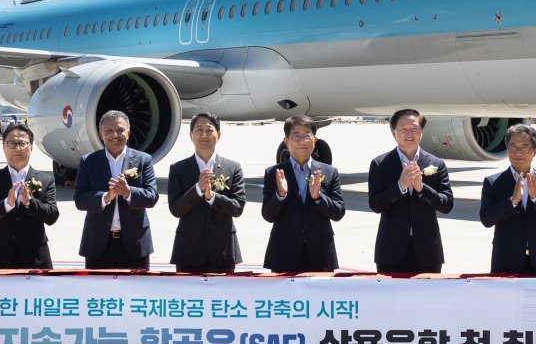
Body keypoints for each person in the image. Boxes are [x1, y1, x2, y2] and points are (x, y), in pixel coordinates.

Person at [367, 108, 453, 273]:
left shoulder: (436, 163)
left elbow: (447, 205)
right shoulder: (380, 164)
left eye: (414, 128)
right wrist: (400, 186)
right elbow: (375, 205)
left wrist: (421, 188)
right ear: (394, 132)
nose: (409, 134)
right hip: (391, 251)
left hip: (428, 251)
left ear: (421, 131)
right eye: (404, 129)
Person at [74, 110, 159, 269]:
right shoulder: (89, 161)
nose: (115, 135)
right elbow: (80, 199)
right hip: (98, 244)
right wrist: (106, 197)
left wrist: (128, 192)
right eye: (109, 131)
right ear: (101, 134)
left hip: (135, 244)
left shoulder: (143, 160)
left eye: (120, 130)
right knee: (98, 293)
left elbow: (152, 196)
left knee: (136, 292)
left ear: (128, 132)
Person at [261, 115, 345, 272]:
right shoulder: (274, 172)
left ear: (315, 140)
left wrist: (319, 198)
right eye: (296, 135)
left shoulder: (329, 172)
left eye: (307, 135)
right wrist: (280, 195)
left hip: (320, 254)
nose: (302, 140)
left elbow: (338, 213)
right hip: (284, 253)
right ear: (286, 141)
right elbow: (268, 215)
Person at [479, 123, 536, 275]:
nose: (518, 151)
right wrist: (512, 201)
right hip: (507, 260)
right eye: (513, 146)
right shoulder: (493, 182)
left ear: (535, 151)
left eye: (525, 146)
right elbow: (486, 219)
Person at [167, 112, 246, 273]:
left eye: (209, 130)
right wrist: (197, 190)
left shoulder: (232, 167)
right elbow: (175, 209)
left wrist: (212, 197)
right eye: (199, 130)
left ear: (219, 135)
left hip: (223, 251)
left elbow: (237, 208)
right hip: (188, 252)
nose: (204, 135)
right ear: (191, 135)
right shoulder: (178, 169)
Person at [0, 123, 59, 269]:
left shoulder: (45, 180)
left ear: (31, 147)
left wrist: (29, 203)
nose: (17, 148)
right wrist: (7, 204)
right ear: (3, 147)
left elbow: (52, 217)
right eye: (12, 143)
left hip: (35, 259)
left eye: (22, 143)